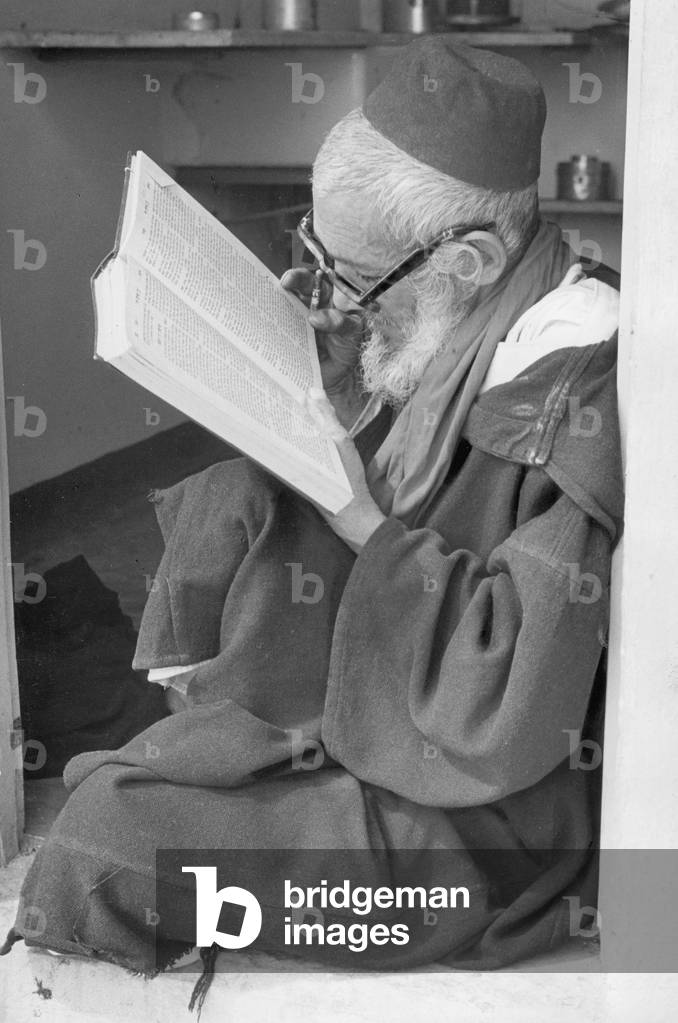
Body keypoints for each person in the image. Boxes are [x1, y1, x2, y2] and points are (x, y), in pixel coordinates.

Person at [3, 37, 622, 998]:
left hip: (496, 828)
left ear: (470, 257)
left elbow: (504, 701)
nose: (334, 295)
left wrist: (358, 516)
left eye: (355, 277)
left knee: (113, 839)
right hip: (392, 726)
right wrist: (318, 369)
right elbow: (412, 483)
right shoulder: (472, 310)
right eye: (313, 258)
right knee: (228, 529)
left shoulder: (573, 386)